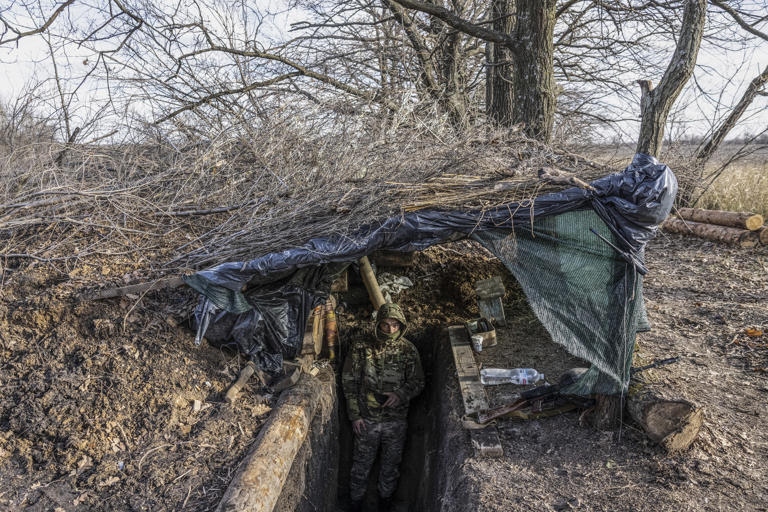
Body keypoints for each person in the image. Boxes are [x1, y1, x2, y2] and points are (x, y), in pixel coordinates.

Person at [341, 302, 424, 512]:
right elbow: (349, 381)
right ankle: (355, 505)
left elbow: (418, 381)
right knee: (360, 467)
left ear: (401, 325)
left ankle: (385, 503)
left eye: (395, 325)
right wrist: (354, 416)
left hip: (395, 422)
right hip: (366, 420)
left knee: (390, 468)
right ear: (378, 324)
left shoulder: (408, 350)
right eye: (385, 324)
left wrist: (400, 394)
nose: (390, 329)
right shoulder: (361, 347)